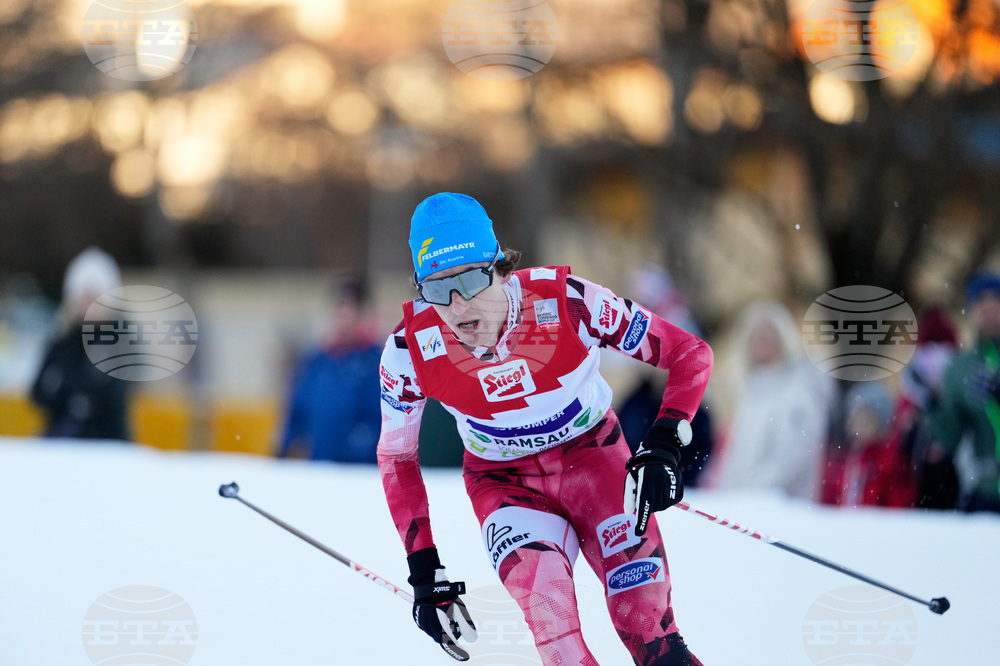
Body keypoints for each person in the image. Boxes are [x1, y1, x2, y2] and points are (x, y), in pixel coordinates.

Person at [377, 193, 713, 665]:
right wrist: (423, 567)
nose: (456, 306)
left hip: (596, 463)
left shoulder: (567, 301)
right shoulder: (408, 350)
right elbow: (396, 457)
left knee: (649, 630)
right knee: (552, 623)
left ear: (498, 268)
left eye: (471, 281)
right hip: (505, 484)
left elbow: (689, 353)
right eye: (436, 289)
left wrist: (663, 443)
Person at [711, 300, 836, 501]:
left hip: (781, 511)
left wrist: (747, 495)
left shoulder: (799, 393)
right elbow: (735, 458)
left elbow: (789, 462)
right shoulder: (750, 393)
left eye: (768, 335)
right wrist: (726, 496)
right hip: (742, 509)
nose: (762, 341)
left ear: (784, 338)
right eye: (756, 336)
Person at [279, 276, 383, 463]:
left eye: (350, 308)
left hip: (363, 471)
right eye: (338, 307)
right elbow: (296, 411)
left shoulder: (379, 361)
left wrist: (360, 445)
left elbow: (385, 418)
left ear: (363, 313)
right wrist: (284, 448)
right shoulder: (316, 361)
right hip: (320, 466)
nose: (343, 315)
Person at [30, 247, 130, 440]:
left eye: (95, 297)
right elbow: (39, 393)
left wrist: (70, 389)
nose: (89, 304)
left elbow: (114, 394)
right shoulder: (63, 341)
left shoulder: (121, 341)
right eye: (84, 297)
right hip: (61, 440)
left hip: (108, 443)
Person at [927, 271, 1000, 513]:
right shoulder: (960, 368)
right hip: (986, 492)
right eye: (981, 301)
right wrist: (933, 404)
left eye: (996, 300)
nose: (989, 308)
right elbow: (949, 437)